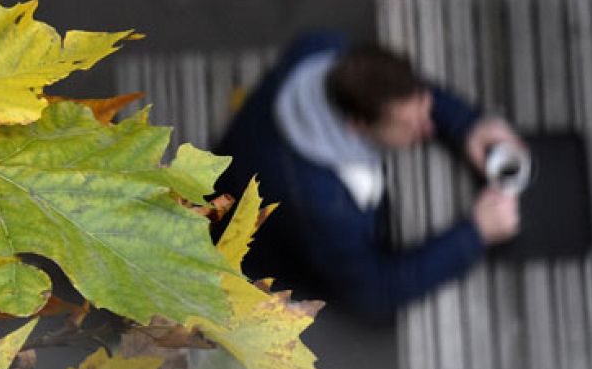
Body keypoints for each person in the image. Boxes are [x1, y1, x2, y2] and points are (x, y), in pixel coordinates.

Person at [212, 32, 523, 320]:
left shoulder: (321, 50)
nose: (428, 128)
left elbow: (401, 94)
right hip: (252, 253)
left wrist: (467, 125)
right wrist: (475, 234)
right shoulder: (329, 205)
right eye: (410, 126)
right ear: (357, 125)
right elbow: (373, 293)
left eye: (425, 110)